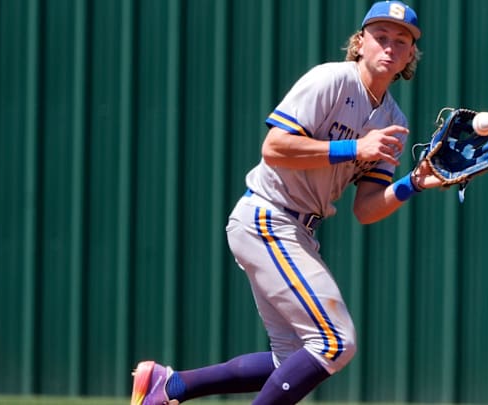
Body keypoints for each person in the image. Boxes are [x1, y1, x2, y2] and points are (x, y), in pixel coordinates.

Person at [131, 2, 444, 404]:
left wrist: (413, 183)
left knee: (293, 359)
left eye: (401, 42)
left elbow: (365, 209)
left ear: (409, 58)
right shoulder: (330, 79)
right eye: (380, 37)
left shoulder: (391, 119)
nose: (390, 47)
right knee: (336, 341)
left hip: (297, 229)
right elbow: (275, 146)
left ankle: (171, 385)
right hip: (267, 216)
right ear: (360, 43)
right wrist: (355, 146)